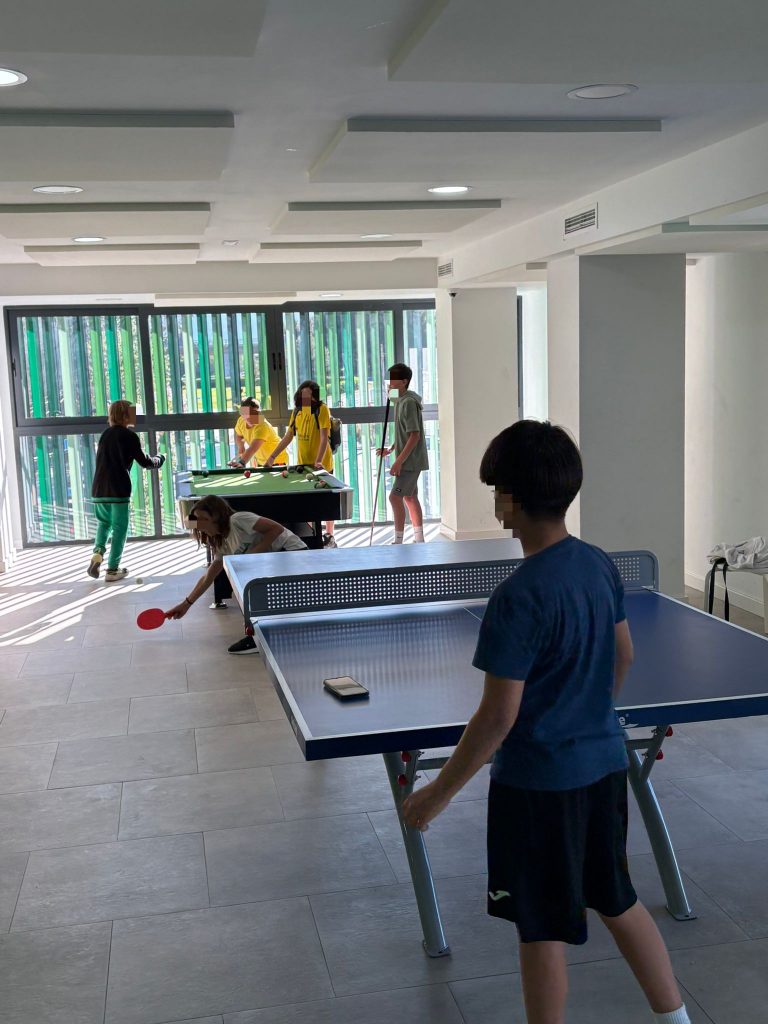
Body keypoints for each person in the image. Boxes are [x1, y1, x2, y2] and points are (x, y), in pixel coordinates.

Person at [401, 420, 691, 1024]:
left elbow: (496, 717)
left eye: (496, 489)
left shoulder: (517, 597)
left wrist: (437, 793)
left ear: (508, 500)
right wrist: (588, 716)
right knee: (617, 899)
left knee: (540, 928)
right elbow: (624, 655)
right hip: (604, 766)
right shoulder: (598, 564)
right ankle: (676, 1018)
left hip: (537, 787)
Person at [168, 493, 307, 653]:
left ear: (217, 515)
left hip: (292, 553)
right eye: (196, 519)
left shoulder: (238, 519)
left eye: (202, 519)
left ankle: (260, 637)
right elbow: (208, 577)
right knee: (243, 585)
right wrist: (186, 604)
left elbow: (276, 529)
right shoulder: (222, 542)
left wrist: (252, 555)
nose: (198, 524)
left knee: (249, 586)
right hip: (273, 562)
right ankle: (259, 635)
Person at [87, 400, 165, 582]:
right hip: (118, 489)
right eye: (133, 412)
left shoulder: (105, 435)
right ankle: (112, 570)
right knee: (119, 529)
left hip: (99, 489)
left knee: (104, 524)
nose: (135, 416)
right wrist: (160, 458)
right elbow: (145, 462)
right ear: (125, 416)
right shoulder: (130, 436)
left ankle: (97, 554)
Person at [264, 379, 337, 547]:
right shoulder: (297, 411)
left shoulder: (322, 409)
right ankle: (315, 536)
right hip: (304, 466)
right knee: (310, 504)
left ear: (315, 397)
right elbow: (288, 436)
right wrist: (272, 457)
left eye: (309, 395)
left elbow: (324, 437)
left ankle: (330, 535)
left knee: (326, 502)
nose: (305, 398)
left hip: (322, 465)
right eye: (302, 394)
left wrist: (319, 460)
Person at [376, 363, 428, 544]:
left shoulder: (408, 403)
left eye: (392, 379)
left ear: (404, 381)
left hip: (410, 461)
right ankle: (419, 539)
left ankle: (398, 541)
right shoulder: (400, 400)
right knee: (410, 497)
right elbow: (403, 432)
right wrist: (391, 449)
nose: (389, 382)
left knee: (395, 497)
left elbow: (414, 435)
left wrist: (398, 461)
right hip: (407, 458)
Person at [228, 397, 288, 469]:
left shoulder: (262, 425)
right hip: (261, 462)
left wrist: (242, 462)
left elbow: (253, 448)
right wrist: (241, 446)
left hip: (277, 460)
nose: (250, 417)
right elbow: (239, 435)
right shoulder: (241, 421)